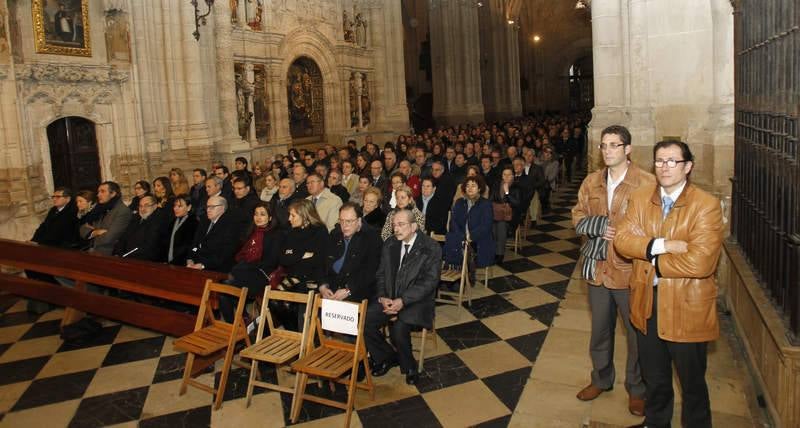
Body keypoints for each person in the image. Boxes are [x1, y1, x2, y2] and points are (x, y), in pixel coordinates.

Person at [615, 140, 724, 428]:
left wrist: (651, 260)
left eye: (672, 161)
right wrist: (662, 244)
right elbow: (623, 241)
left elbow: (701, 263)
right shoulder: (640, 198)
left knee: (692, 385)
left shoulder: (706, 205)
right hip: (647, 303)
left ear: (688, 167)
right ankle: (656, 422)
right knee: (655, 378)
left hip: (687, 307)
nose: (664, 167)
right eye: (659, 161)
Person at [571, 125, 653, 416]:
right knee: (600, 331)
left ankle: (638, 389)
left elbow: (655, 224)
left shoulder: (646, 182)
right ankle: (601, 379)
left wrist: (624, 235)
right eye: (604, 145)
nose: (607, 150)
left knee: (636, 335)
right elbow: (578, 214)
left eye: (614, 145)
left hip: (630, 271)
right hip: (597, 269)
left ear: (628, 149)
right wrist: (596, 226)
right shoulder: (592, 181)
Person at [364, 208, 442, 385]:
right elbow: (381, 274)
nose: (396, 229)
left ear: (413, 226)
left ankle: (410, 367)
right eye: (394, 225)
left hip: (417, 301)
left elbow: (429, 282)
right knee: (364, 320)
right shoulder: (390, 243)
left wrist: (403, 300)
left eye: (401, 225)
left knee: (398, 329)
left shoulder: (430, 247)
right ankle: (387, 356)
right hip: (390, 298)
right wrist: (383, 296)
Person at [220, 202, 284, 322]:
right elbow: (240, 254)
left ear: (270, 217)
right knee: (224, 292)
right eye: (256, 214)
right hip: (246, 272)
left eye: (262, 214)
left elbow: (272, 261)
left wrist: (245, 266)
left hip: (263, 275)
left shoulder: (276, 234)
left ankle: (239, 322)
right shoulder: (251, 231)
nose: (258, 217)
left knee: (227, 289)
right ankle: (235, 324)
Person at [279, 200, 329, 329]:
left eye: (293, 215)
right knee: (274, 301)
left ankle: (303, 338)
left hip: (312, 278)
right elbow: (283, 258)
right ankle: (294, 334)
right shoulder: (291, 231)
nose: (289, 219)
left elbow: (317, 260)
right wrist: (303, 254)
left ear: (305, 215)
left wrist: (294, 254)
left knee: (302, 311)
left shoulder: (319, 230)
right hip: (293, 277)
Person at [321, 202, 382, 303]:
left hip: (358, 293)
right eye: (342, 221)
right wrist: (323, 286)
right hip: (331, 291)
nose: (345, 226)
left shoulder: (372, 238)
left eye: (349, 221)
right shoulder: (335, 235)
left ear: (359, 220)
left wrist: (348, 290)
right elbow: (322, 263)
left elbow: (371, 272)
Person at [444, 175, 495, 270]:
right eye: (467, 186)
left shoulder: (486, 204)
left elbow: (486, 226)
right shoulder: (460, 202)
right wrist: (461, 236)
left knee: (462, 249)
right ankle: (460, 273)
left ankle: (462, 273)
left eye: (473, 186)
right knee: (452, 240)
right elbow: (453, 222)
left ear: (479, 188)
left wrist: (471, 236)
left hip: (478, 240)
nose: (470, 188)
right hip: (461, 238)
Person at [187, 195, 240, 273]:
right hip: (196, 265)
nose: (208, 210)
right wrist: (190, 259)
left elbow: (223, 254)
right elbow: (195, 245)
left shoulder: (230, 226)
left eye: (212, 207)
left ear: (222, 208)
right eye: (207, 207)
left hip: (216, 270)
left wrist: (202, 265)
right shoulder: (204, 221)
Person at [79, 181, 133, 255]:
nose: (98, 195)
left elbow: (108, 238)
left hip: (108, 253)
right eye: (98, 192)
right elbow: (82, 228)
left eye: (102, 191)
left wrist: (91, 233)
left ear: (113, 193)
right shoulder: (100, 208)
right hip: (92, 250)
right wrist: (96, 232)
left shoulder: (123, 211)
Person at [113, 195, 168, 262]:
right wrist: (118, 253)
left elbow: (149, 247)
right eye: (140, 206)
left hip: (145, 261)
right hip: (127, 258)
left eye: (146, 205)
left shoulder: (158, 221)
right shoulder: (136, 219)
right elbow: (124, 237)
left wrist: (125, 256)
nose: (143, 209)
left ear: (155, 206)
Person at [490, 166, 522, 264]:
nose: (506, 177)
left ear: (513, 176)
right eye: (504, 174)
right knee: (491, 227)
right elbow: (491, 199)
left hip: (510, 217)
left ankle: (499, 254)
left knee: (501, 226)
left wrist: (507, 193)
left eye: (509, 175)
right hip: (495, 214)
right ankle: (493, 252)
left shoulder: (517, 187)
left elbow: (517, 203)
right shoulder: (496, 185)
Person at [167, 195, 199, 266]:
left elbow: (187, 247)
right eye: (175, 206)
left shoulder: (193, 223)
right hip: (170, 262)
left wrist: (174, 262)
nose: (175, 208)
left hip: (183, 263)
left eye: (180, 206)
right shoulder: (173, 221)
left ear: (189, 207)